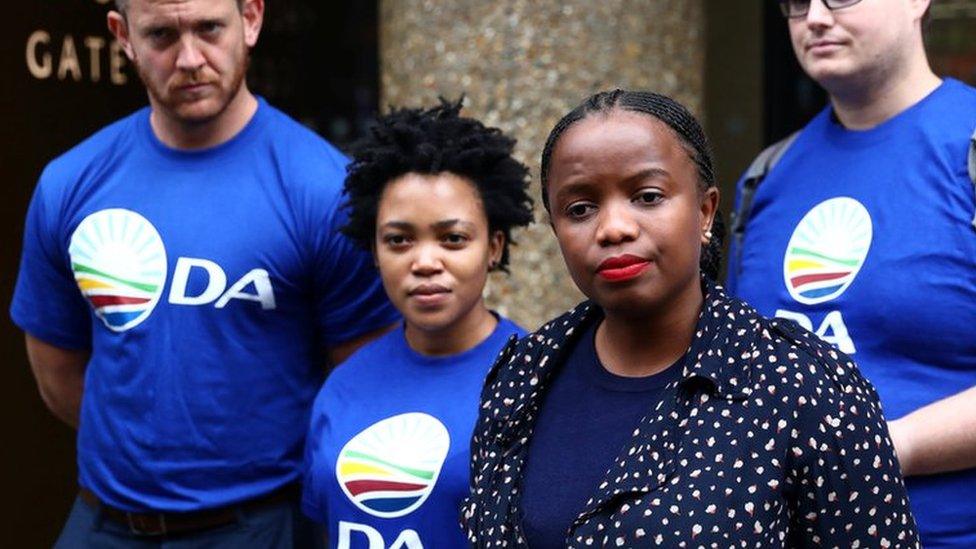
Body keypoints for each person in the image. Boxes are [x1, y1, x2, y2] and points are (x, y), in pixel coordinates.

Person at [10, 0, 399, 546]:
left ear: (252, 19)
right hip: (102, 522)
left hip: (263, 525)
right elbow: (57, 372)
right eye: (162, 35)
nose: (190, 58)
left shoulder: (324, 189)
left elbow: (362, 385)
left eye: (209, 28)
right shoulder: (70, 182)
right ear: (123, 36)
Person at [461, 89, 920, 547]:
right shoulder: (521, 378)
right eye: (580, 209)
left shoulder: (806, 386)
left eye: (647, 196)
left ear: (704, 211)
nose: (614, 227)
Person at [726, 1, 976, 545]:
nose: (814, 17)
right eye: (796, 2)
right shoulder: (767, 175)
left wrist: (880, 448)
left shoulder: (966, 147)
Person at [300, 99, 533, 547]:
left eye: (453, 238)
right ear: (374, 251)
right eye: (399, 240)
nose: (426, 262)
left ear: (494, 246)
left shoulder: (537, 379)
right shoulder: (344, 383)